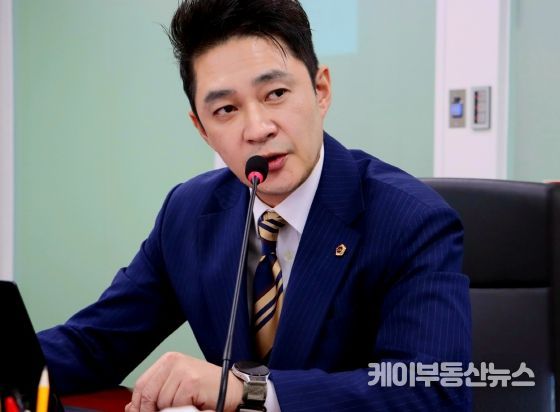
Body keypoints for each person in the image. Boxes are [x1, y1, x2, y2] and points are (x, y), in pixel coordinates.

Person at [38, 0, 471, 411]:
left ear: (320, 90)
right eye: (226, 109)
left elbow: (434, 391)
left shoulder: (410, 219)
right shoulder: (188, 214)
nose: (258, 129)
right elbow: (94, 345)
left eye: (276, 93)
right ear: (202, 129)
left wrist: (250, 391)